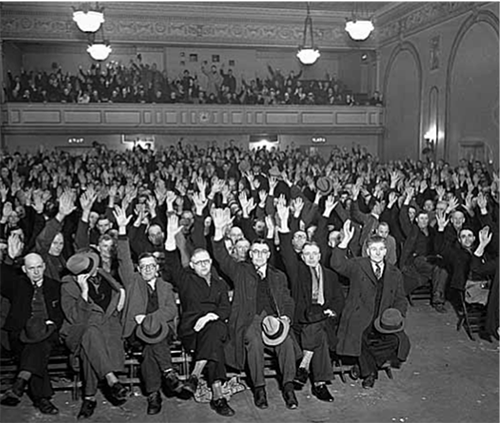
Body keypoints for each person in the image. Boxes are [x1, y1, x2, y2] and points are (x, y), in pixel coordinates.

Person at [211, 208, 301, 410]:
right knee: (254, 341)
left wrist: (285, 317)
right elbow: (221, 257)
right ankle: (259, 389)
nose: (259, 255)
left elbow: (288, 301)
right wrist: (218, 231)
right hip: (249, 320)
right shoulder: (240, 271)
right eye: (255, 252)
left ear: (268, 254)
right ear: (250, 254)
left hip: (273, 320)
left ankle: (288, 387)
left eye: (263, 252)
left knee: (286, 342)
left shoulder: (278, 276)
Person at [164, 213, 235, 417]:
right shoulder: (185, 279)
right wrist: (171, 235)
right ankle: (218, 396)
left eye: (206, 261)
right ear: (192, 265)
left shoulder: (220, 283)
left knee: (213, 329)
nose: (203, 265)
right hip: (192, 331)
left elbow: (225, 309)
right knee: (214, 343)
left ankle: (194, 377)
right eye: (198, 262)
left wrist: (209, 316)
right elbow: (171, 260)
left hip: (214, 325)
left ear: (211, 262)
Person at [114, 206, 181, 415]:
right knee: (151, 344)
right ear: (139, 269)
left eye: (151, 265)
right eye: (143, 266)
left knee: (152, 344)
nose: (148, 269)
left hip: (163, 330)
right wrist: (123, 230)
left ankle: (153, 396)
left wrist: (149, 318)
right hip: (136, 332)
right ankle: (169, 373)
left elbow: (170, 311)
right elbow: (124, 260)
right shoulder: (133, 282)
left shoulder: (166, 286)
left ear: (157, 267)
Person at [277, 200, 344, 402]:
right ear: (302, 257)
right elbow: (287, 254)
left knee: (320, 324)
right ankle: (319, 384)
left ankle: (305, 365)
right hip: (303, 321)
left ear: (320, 255)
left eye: (315, 253)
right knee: (319, 332)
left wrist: (333, 310)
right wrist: (283, 223)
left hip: (323, 319)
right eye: (307, 254)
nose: (312, 257)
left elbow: (338, 300)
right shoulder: (298, 272)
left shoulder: (330, 276)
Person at [330, 220, 410, 389]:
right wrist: (344, 241)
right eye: (373, 249)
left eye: (381, 249)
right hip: (360, 317)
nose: (377, 253)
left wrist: (397, 316)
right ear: (367, 251)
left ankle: (363, 366)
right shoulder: (358, 265)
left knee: (398, 340)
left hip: (383, 320)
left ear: (386, 251)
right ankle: (369, 373)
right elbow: (337, 264)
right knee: (360, 337)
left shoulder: (394, 273)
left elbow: (401, 298)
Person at [60, 251, 127, 419]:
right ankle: (111, 379)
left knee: (89, 348)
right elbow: (75, 318)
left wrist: (121, 297)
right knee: (89, 334)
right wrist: (83, 292)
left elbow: (118, 290)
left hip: (107, 325)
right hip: (80, 327)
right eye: (90, 271)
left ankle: (89, 398)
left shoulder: (103, 274)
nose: (95, 271)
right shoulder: (67, 286)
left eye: (94, 267)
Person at [0, 253, 63, 414]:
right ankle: (41, 398)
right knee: (37, 349)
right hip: (21, 334)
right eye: (31, 268)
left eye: (39, 267)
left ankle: (21, 384)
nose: (36, 272)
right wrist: (9, 258)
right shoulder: (17, 285)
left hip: (48, 332)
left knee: (39, 344)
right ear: (24, 270)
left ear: (44, 266)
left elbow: (61, 314)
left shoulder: (55, 286)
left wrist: (52, 323)